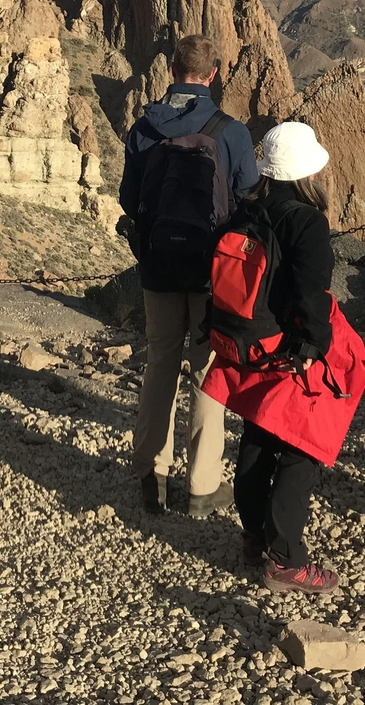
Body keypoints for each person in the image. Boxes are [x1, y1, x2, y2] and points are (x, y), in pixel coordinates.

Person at [201, 122, 365, 594]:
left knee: (258, 434)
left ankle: (254, 537)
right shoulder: (305, 221)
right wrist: (312, 346)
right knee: (301, 445)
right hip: (284, 347)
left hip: (244, 341)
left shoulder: (246, 209)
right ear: (306, 173)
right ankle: (286, 559)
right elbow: (310, 293)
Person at [119, 34, 258, 517]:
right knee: (207, 370)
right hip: (212, 272)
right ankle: (202, 486)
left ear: (172, 69)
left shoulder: (144, 128)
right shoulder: (231, 132)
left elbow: (128, 199)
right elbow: (248, 199)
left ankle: (151, 476)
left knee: (160, 362)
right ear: (213, 74)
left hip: (157, 266)